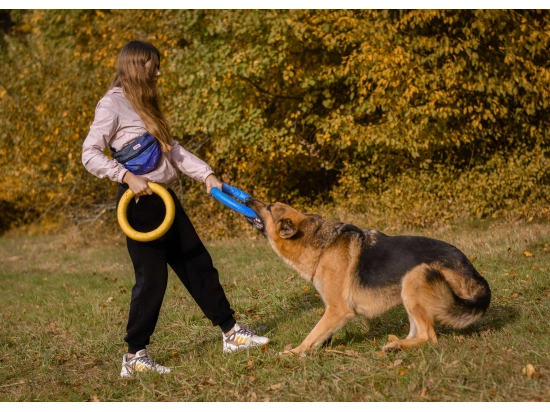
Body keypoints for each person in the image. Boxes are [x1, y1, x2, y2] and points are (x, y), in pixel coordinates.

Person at [82, 40, 269, 378]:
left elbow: (174, 151)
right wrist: (125, 175)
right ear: (138, 67)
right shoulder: (111, 105)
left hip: (165, 200)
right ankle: (134, 356)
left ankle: (232, 334)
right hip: (138, 206)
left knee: (198, 263)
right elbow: (90, 153)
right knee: (152, 279)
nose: (159, 71)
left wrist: (207, 175)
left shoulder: (146, 104)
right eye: (154, 65)